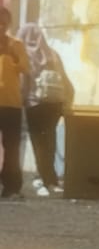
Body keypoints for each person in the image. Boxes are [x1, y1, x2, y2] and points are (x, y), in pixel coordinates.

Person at [20, 24, 72, 196]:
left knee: (38, 143)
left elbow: (23, 82)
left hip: (34, 104)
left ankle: (42, 179)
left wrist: (19, 101)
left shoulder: (24, 55)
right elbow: (66, 80)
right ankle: (51, 179)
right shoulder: (52, 54)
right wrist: (67, 102)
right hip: (54, 104)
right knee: (50, 140)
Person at [0, 7, 30, 200]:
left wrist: (13, 57)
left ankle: (11, 186)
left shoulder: (16, 44)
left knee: (11, 147)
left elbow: (26, 68)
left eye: (3, 22)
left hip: (11, 103)